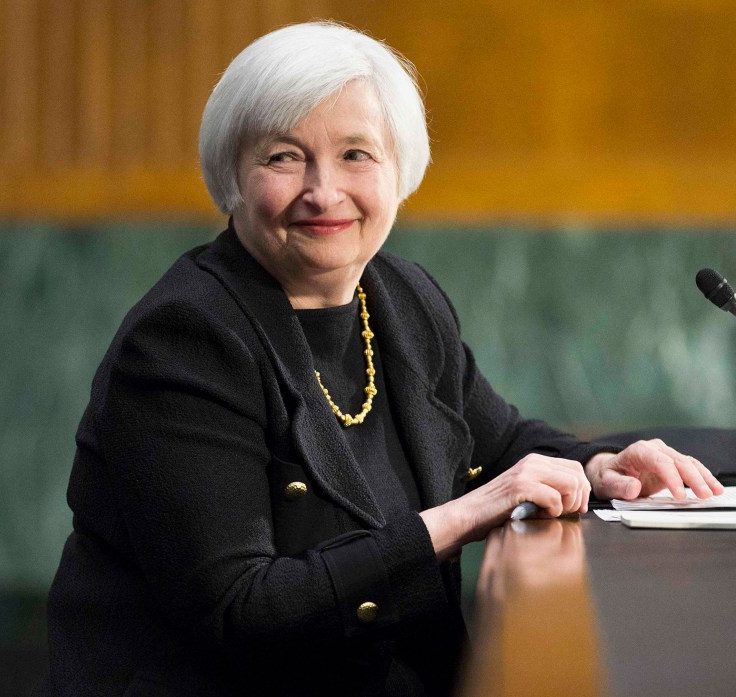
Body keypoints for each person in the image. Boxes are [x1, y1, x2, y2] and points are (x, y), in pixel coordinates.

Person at [46, 21, 723, 697]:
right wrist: (462, 517)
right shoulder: (185, 338)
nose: (323, 191)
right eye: (284, 157)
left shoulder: (400, 298)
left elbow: (498, 442)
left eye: (356, 154)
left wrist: (600, 466)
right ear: (232, 174)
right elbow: (241, 609)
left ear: (401, 169)